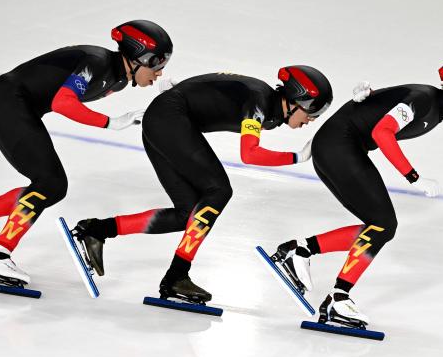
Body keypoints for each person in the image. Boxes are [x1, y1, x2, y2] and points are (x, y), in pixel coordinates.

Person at [269, 55, 443, 327]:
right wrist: (414, 178)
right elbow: (382, 132)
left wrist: (367, 96)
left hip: (338, 146)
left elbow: (378, 104)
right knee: (383, 225)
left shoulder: (432, 104)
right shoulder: (426, 100)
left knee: (379, 227)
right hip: (338, 147)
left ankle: (300, 251)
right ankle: (337, 297)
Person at [0, 20, 173, 287]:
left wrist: (21, 79)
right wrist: (111, 122)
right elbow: (62, 102)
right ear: (136, 57)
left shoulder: (118, 79)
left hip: (13, 102)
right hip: (8, 102)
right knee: (50, 183)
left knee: (51, 185)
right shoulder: (98, 62)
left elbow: (55, 70)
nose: (159, 74)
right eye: (157, 66)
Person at [72, 66, 333, 303]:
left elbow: (217, 87)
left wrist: (179, 91)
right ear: (298, 100)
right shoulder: (260, 101)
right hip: (169, 119)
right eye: (312, 112)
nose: (311, 120)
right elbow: (249, 153)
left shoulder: (270, 107)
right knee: (219, 190)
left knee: (187, 215)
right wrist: (297, 157)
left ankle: (97, 230)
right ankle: (176, 276)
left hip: (166, 120)